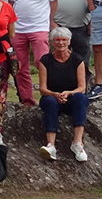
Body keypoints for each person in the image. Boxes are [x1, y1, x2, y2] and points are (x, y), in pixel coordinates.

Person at [1, 0, 62, 106]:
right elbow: (10, 2)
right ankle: (27, 101)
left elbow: (54, 2)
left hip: (39, 27)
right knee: (20, 67)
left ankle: (48, 97)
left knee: (43, 63)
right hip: (18, 29)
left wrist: (50, 21)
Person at [38, 27, 90, 162]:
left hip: (72, 98)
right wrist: (55, 94)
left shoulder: (77, 60)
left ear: (69, 42)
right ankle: (51, 145)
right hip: (52, 97)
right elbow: (42, 88)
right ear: (52, 42)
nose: (61, 43)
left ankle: (77, 143)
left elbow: (82, 87)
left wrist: (69, 93)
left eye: (64, 40)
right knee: (49, 101)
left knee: (81, 98)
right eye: (57, 40)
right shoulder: (45, 60)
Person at [53, 0, 91, 83]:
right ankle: (61, 93)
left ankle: (82, 93)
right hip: (60, 27)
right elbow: (46, 1)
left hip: (82, 27)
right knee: (60, 62)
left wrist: (92, 22)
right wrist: (51, 23)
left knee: (83, 62)